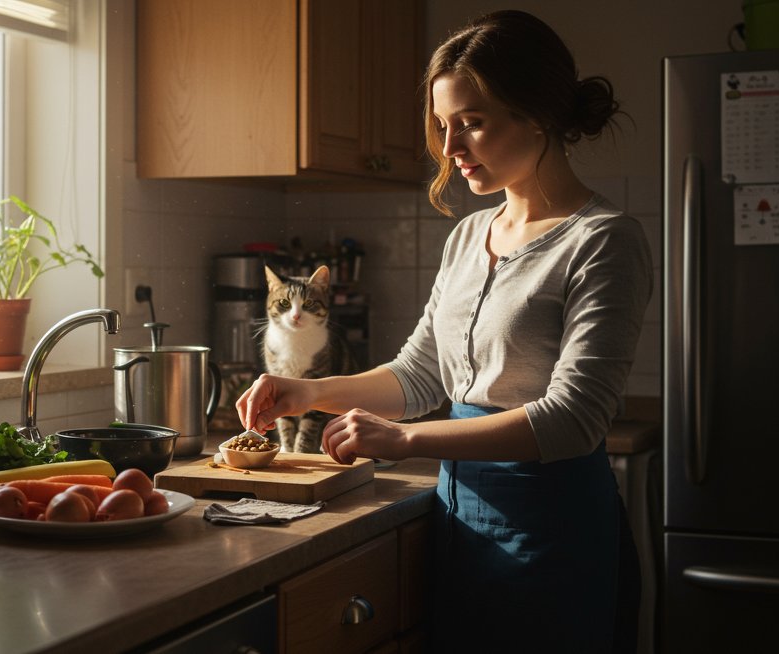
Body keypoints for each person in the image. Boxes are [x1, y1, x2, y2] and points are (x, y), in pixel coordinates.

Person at [236, 9, 651, 653]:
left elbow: (574, 420)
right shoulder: (466, 237)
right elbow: (419, 375)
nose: (451, 149)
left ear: (537, 112)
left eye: (472, 124)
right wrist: (306, 393)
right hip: (459, 520)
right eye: (443, 126)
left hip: (554, 529)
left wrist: (404, 441)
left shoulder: (604, 240)